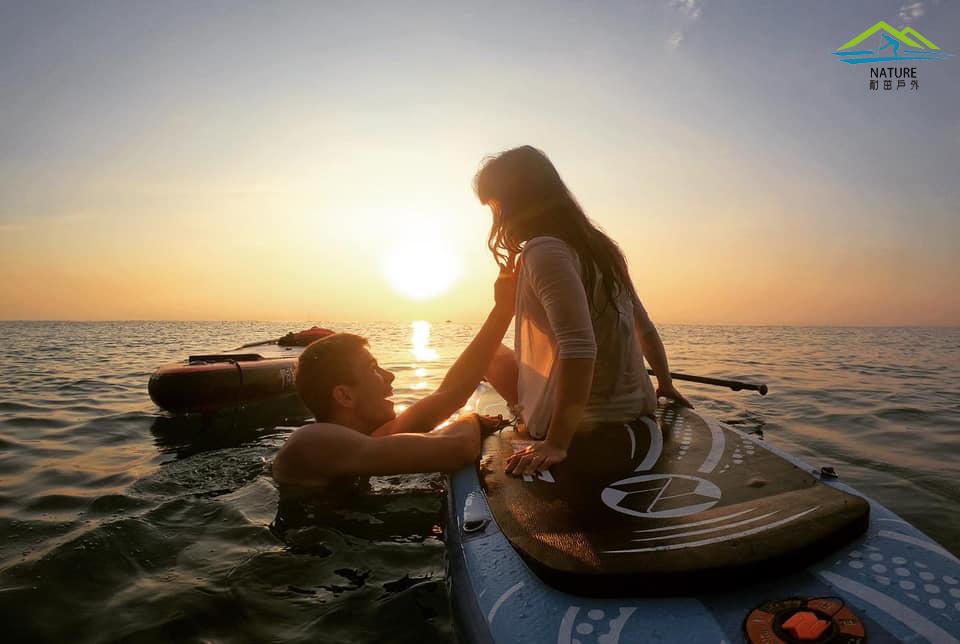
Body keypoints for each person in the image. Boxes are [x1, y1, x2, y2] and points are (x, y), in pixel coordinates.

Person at [474, 145, 690, 478]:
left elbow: (579, 346)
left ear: (513, 199)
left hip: (576, 423)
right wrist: (665, 383)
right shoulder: (603, 248)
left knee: (487, 354)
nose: (495, 216)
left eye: (494, 204)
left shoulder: (542, 249)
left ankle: (527, 416)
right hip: (638, 406)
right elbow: (643, 327)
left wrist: (556, 443)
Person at [271, 269, 516, 488]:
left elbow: (449, 395)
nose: (390, 376)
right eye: (373, 369)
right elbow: (458, 449)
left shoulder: (367, 439)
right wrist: (471, 419)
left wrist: (503, 309)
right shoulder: (314, 441)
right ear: (345, 396)